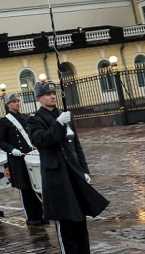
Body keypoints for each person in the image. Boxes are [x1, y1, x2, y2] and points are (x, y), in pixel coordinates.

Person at [27, 80, 109, 254]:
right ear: (39, 99)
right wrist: (57, 124)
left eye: (54, 93)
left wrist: (85, 170)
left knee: (80, 221)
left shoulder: (65, 115)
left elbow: (76, 147)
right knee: (66, 223)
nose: (53, 96)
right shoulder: (35, 120)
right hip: (57, 177)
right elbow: (42, 141)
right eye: (48, 94)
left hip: (74, 174)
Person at [0, 93, 45, 226]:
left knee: (36, 186)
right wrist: (12, 150)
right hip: (17, 159)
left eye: (18, 101)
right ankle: (31, 217)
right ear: (8, 105)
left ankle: (40, 214)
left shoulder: (26, 118)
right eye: (13, 102)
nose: (17, 103)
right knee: (25, 188)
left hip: (30, 156)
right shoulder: (4, 121)